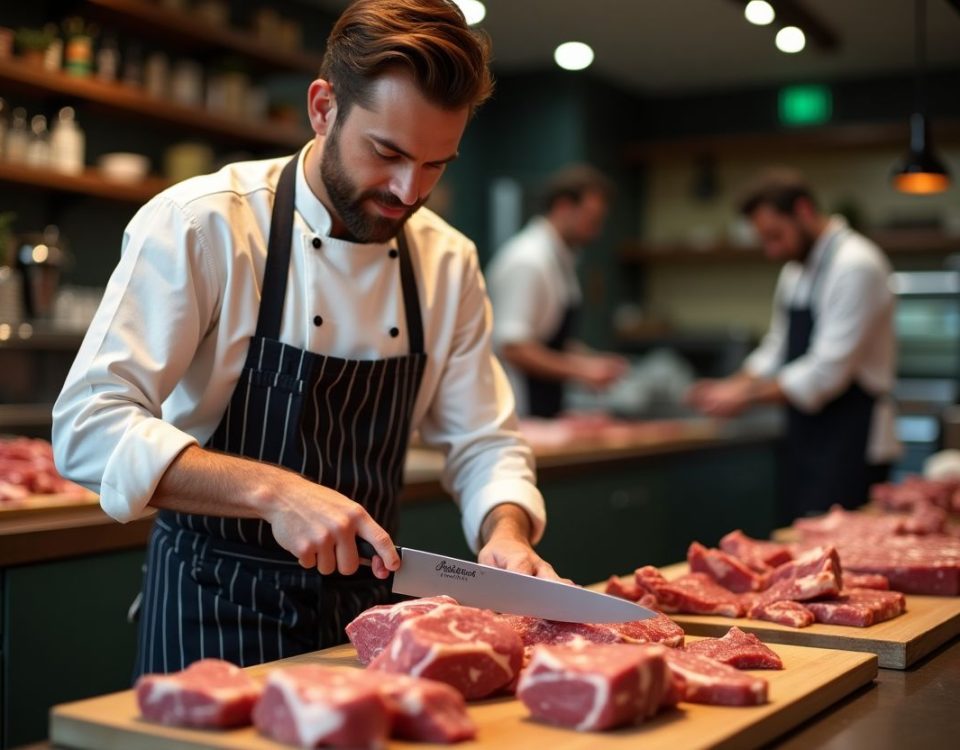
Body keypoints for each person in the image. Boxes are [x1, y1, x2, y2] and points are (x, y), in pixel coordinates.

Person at [52, 0, 559, 678]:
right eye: (388, 152)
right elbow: (88, 427)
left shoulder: (447, 261)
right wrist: (273, 492)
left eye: (437, 164)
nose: (410, 191)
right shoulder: (203, 225)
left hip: (368, 622)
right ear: (323, 108)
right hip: (211, 611)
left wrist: (505, 530)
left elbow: (483, 441)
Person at [686, 169, 901, 520]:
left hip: (853, 440)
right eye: (765, 240)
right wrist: (731, 384)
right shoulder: (796, 269)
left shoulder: (857, 264)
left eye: (776, 236)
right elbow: (777, 347)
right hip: (806, 435)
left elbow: (826, 372)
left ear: (803, 210)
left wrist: (744, 397)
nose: (772, 250)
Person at [486, 165, 628, 418]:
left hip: (545, 404)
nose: (596, 231)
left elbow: (550, 339)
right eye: (591, 219)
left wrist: (590, 361)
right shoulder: (528, 260)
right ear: (563, 206)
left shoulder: (560, 260)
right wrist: (582, 371)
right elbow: (513, 346)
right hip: (517, 406)